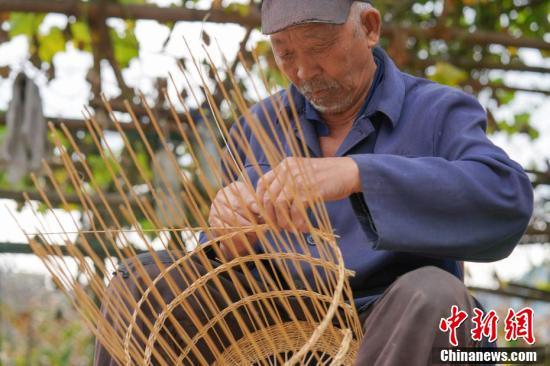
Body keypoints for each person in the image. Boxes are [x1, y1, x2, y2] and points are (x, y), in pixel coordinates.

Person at [94, 1, 533, 365]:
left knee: (438, 298)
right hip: (273, 320)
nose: (303, 72)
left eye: (319, 47)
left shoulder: (438, 111)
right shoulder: (258, 123)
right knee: (143, 284)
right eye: (285, 53)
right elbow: (226, 262)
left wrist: (357, 174)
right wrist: (226, 235)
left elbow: (506, 199)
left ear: (369, 27)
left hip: (395, 323)